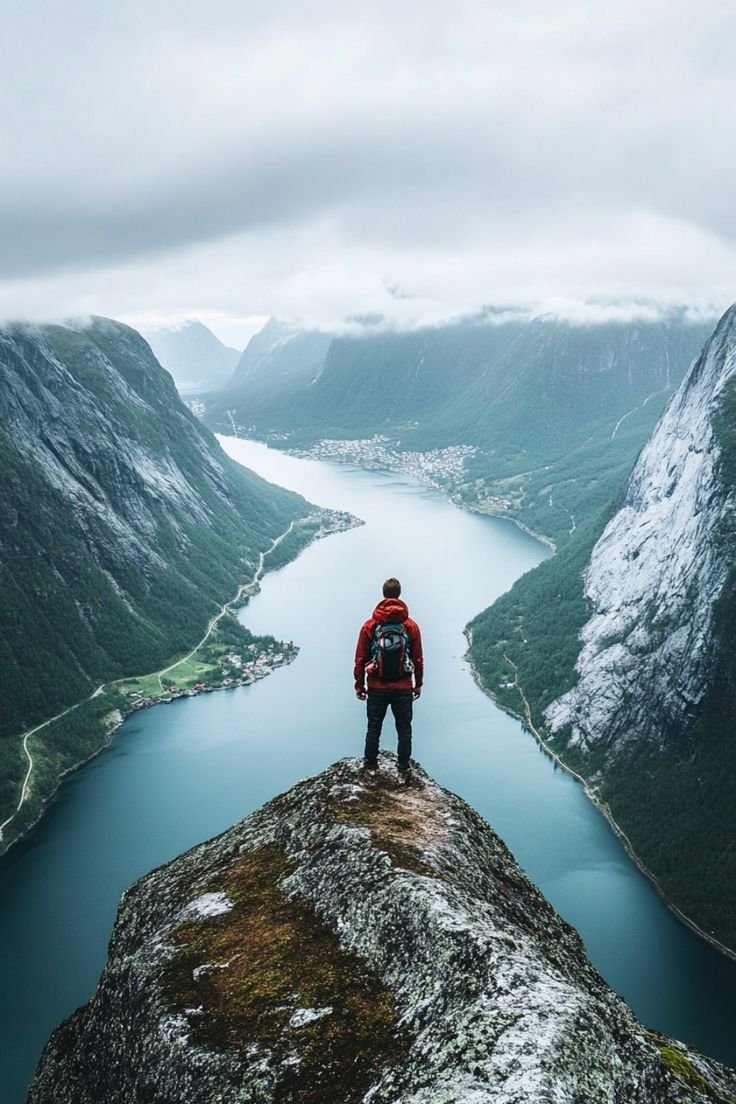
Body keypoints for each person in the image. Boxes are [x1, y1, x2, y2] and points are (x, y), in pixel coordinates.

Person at [354, 577, 423, 782]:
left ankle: (371, 768)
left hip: (376, 685)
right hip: (403, 686)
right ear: (399, 594)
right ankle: (403, 770)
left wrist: (359, 684)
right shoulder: (410, 626)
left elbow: (360, 658)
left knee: (374, 727)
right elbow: (418, 658)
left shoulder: (370, 625)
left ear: (383, 594)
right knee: (404, 729)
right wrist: (417, 683)